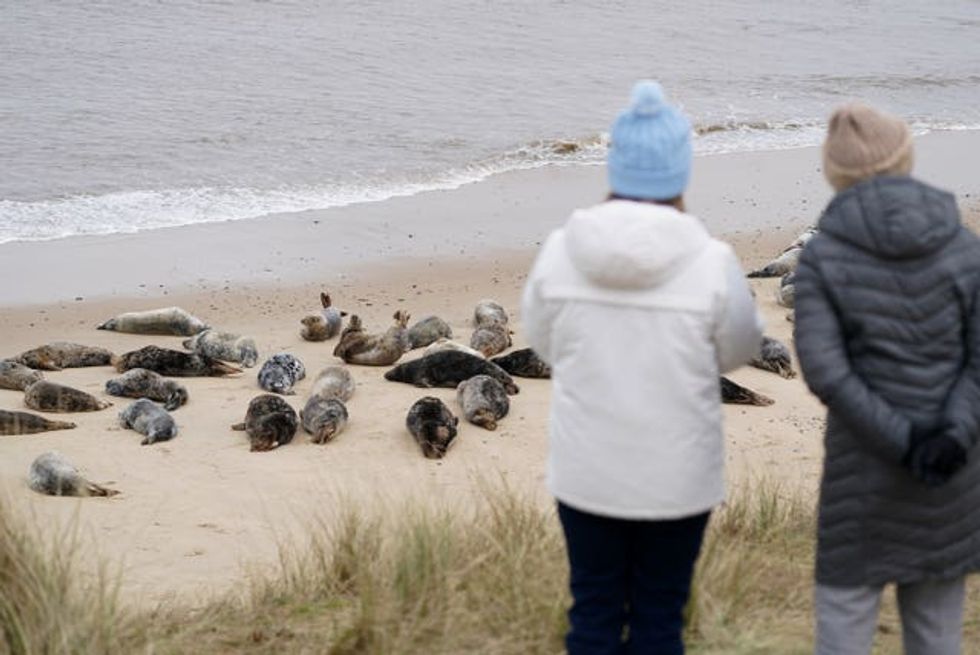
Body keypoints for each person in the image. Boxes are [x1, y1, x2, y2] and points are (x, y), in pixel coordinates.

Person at [521, 80, 763, 654]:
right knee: (660, 619)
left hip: (587, 475)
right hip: (678, 481)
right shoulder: (713, 261)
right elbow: (737, 350)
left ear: (616, 168)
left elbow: (543, 344)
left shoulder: (562, 249)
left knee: (593, 612)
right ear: (679, 175)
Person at [794, 103, 980, 655]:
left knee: (843, 632)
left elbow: (826, 370)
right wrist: (950, 435)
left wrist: (904, 439)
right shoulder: (965, 246)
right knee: (937, 636)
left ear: (834, 171)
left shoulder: (822, 256)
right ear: (906, 157)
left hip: (863, 476)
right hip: (951, 469)